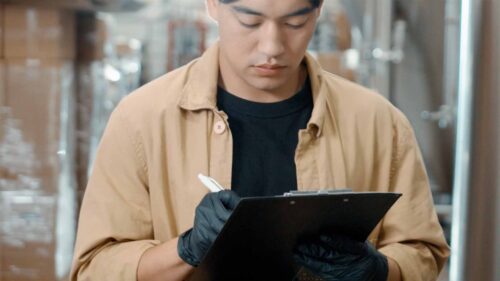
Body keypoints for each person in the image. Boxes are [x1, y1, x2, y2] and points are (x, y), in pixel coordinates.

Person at [70, 0, 450, 280]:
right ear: (213, 5)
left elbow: (424, 251)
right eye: (250, 21)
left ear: (317, 12)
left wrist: (381, 271)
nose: (272, 47)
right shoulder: (142, 119)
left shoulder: (379, 123)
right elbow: (93, 268)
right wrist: (184, 250)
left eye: (295, 21)